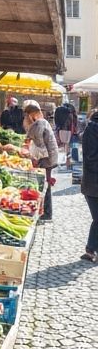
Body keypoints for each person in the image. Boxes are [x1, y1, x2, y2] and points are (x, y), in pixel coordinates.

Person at [23, 100, 58, 222]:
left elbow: (40, 147)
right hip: (49, 157)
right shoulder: (40, 122)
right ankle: (46, 212)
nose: (26, 118)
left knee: (45, 184)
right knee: (46, 183)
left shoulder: (39, 124)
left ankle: (46, 213)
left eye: (27, 115)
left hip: (47, 159)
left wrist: (34, 159)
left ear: (31, 114)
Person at [80, 110, 98, 261]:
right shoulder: (92, 129)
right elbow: (91, 158)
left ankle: (91, 250)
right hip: (93, 183)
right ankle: (90, 249)